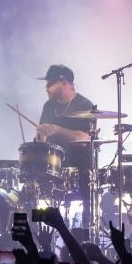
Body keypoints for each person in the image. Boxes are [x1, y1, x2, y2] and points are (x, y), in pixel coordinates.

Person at [36, 64, 93, 227]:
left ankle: (85, 233)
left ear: (64, 83)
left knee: (84, 217)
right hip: (53, 169)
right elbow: (42, 140)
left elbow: (83, 139)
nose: (46, 88)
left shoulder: (84, 105)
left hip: (79, 169)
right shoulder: (48, 106)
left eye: (50, 84)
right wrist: (41, 135)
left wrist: (55, 129)